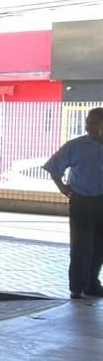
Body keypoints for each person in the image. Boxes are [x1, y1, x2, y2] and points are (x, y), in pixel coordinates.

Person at [44, 107, 103, 299]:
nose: (88, 125)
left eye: (94, 122)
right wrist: (62, 187)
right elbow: (54, 167)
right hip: (82, 201)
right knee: (81, 245)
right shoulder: (76, 146)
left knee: (99, 245)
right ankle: (77, 286)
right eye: (88, 121)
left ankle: (92, 284)